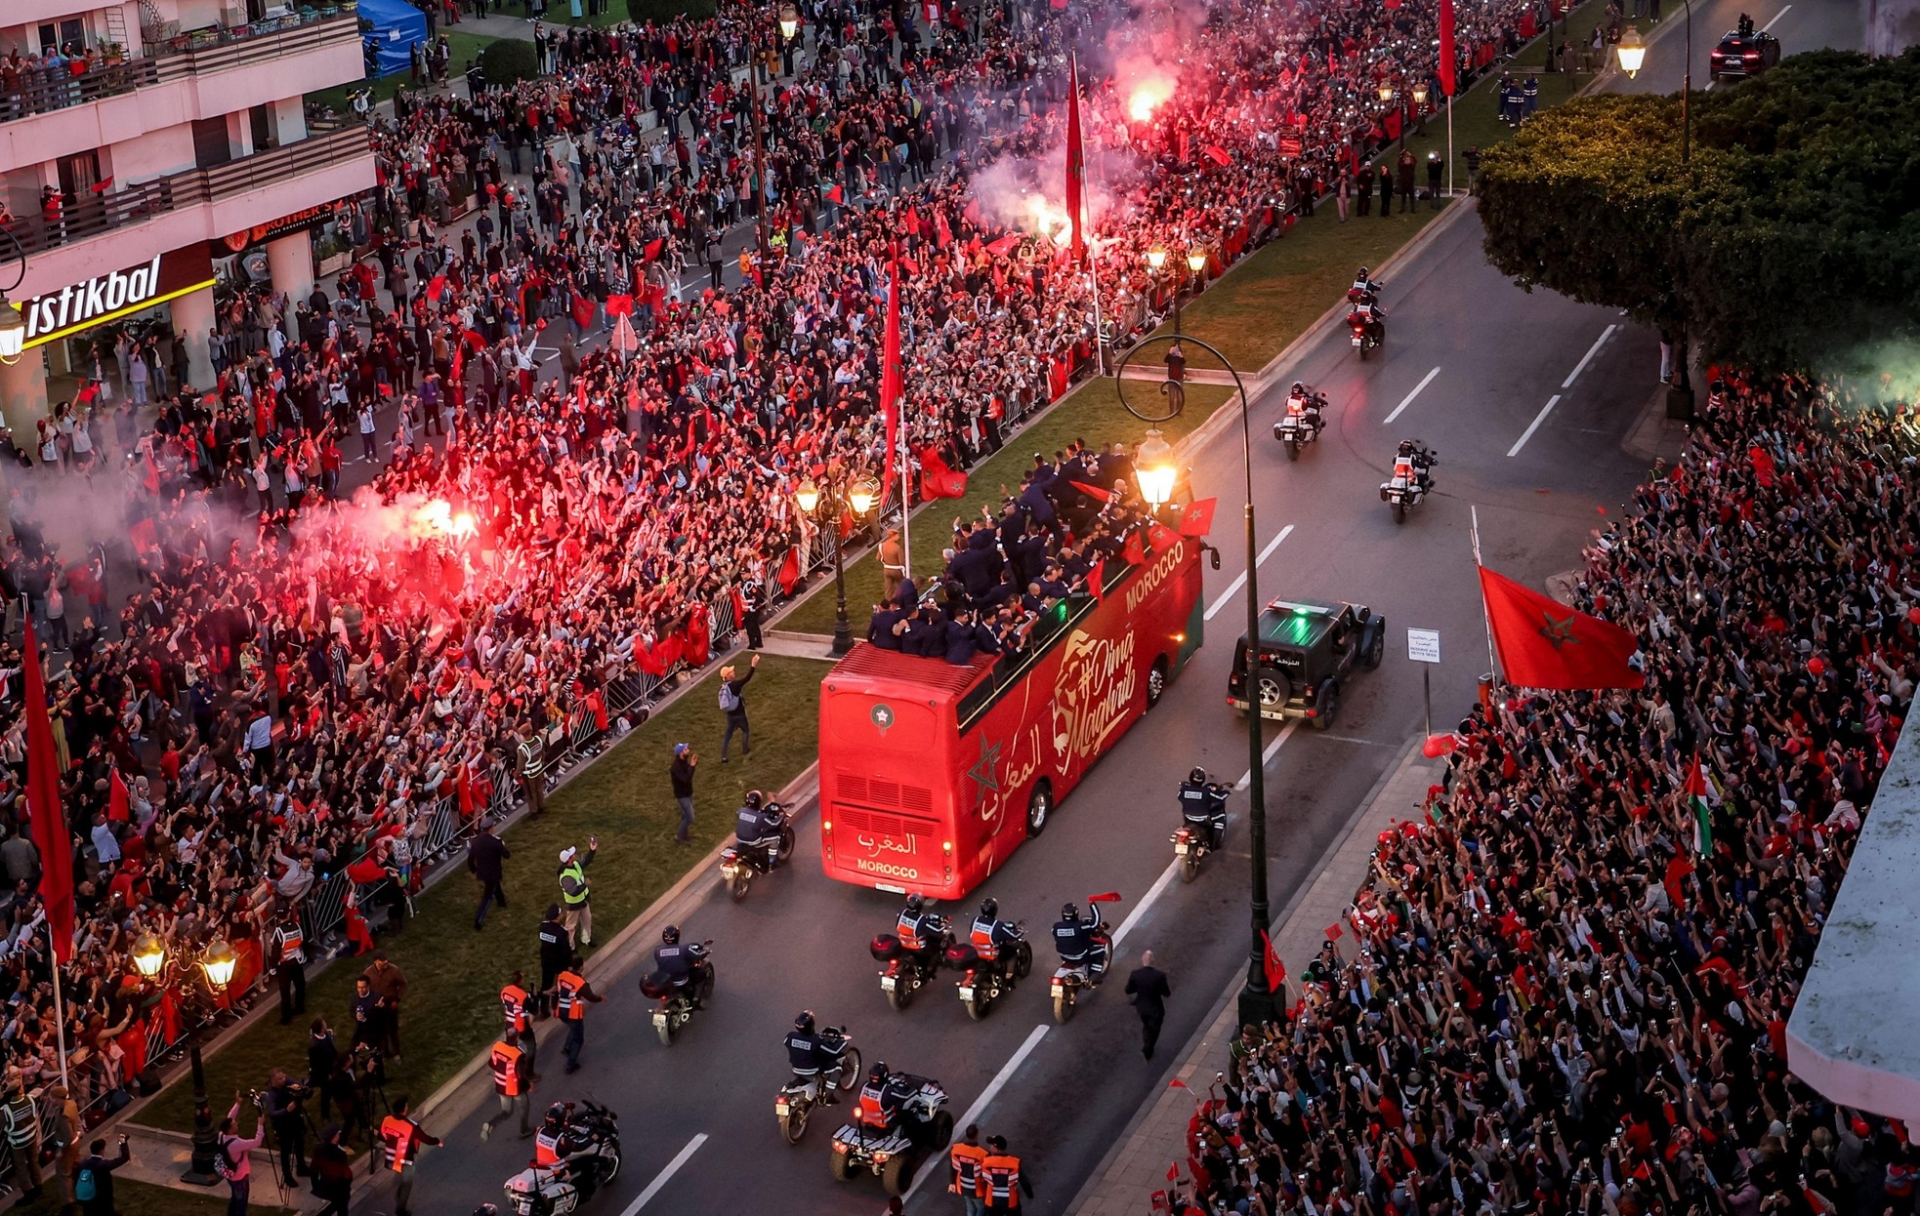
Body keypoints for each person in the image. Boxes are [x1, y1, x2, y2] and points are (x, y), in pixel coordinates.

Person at [377, 1096, 441, 1216]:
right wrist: (437, 1141)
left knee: (403, 1178)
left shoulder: (387, 1119)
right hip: (405, 1160)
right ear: (404, 1109)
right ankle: (400, 1210)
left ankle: (400, 1195)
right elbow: (426, 1139)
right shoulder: (411, 1125)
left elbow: (381, 1136)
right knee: (407, 1183)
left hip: (391, 1158)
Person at [553, 954, 605, 1073]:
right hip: (573, 1014)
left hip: (561, 1011)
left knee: (573, 1029)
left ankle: (567, 1047)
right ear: (581, 967)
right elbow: (591, 997)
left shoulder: (562, 975)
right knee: (579, 1039)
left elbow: (557, 991)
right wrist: (600, 998)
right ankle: (570, 1064)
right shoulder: (581, 983)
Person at [217, 1094, 266, 1216]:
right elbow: (257, 1141)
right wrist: (260, 1125)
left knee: (235, 1197)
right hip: (240, 1177)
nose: (236, 1123)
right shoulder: (237, 1144)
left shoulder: (222, 1136)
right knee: (242, 1203)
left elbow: (230, 1117)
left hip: (231, 1176)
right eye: (234, 1124)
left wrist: (238, 1104)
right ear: (230, 1129)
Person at [482, 1028, 534, 1140]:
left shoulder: (497, 1046)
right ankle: (524, 1130)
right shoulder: (518, 1054)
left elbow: (492, 1063)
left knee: (506, 1111)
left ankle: (491, 1124)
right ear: (517, 1038)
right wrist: (529, 1085)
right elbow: (520, 1075)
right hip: (514, 1088)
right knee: (524, 1107)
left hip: (500, 1085)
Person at [1124, 950, 1173, 1059]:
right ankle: (1148, 1048)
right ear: (1153, 960)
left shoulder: (1135, 974)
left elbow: (1128, 990)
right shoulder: (1159, 976)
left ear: (1142, 960)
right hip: (1155, 1008)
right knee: (1155, 1028)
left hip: (1141, 1007)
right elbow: (1167, 993)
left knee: (1146, 1026)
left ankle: (1147, 1043)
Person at [2, 1069, 43, 1200]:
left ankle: (28, 1191)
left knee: (21, 1167)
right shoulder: (30, 1100)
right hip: (32, 1137)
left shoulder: (6, 1110)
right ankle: (38, 1184)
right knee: (34, 1162)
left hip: (17, 1143)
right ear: (19, 1090)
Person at [264, 1068, 308, 1184]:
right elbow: (272, 1113)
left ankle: (301, 1167)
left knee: (299, 1143)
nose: (284, 1080)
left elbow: (296, 1082)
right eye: (280, 1079)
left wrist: (298, 1087)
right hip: (283, 1125)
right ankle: (287, 1175)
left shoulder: (286, 1083)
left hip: (295, 1120)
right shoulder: (272, 1095)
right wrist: (286, 1110)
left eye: (284, 1077)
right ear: (273, 1080)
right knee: (286, 1150)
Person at [267, 902, 308, 1024]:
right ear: (288, 913)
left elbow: (275, 951)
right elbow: (303, 942)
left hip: (284, 964)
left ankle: (286, 1017)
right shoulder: (297, 926)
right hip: (297, 961)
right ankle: (300, 1008)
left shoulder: (278, 932)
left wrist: (273, 967)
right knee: (300, 985)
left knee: (285, 991)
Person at [364, 951, 408, 1061]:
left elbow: (402, 984)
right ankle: (385, 1052)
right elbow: (364, 989)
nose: (385, 965)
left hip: (390, 1003)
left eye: (386, 962)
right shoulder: (368, 973)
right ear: (375, 962)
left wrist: (397, 999)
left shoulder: (394, 970)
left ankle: (397, 1052)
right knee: (381, 1029)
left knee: (392, 1029)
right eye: (382, 963)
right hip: (377, 1005)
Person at [784, 1010, 836, 1103]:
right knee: (836, 1069)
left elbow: (786, 1043)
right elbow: (832, 1051)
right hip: (812, 1072)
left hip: (795, 1069)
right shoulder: (816, 1040)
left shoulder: (790, 1036)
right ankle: (828, 1096)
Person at [653, 924, 711, 1006]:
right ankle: (695, 1000)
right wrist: (706, 951)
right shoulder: (683, 949)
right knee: (699, 976)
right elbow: (698, 955)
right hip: (680, 981)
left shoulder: (657, 950)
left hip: (665, 981)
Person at [468, 819, 511, 930]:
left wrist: (474, 870)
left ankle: (501, 902)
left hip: (482, 871)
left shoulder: (476, 841)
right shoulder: (496, 842)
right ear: (491, 828)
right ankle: (478, 919)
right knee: (488, 896)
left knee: (495, 886)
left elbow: (470, 859)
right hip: (493, 872)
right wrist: (503, 845)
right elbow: (507, 855)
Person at [74, 1133, 130, 1216]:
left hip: (87, 1202)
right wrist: (123, 1142)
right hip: (102, 1204)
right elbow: (124, 1158)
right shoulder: (103, 1165)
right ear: (102, 1151)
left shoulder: (83, 1164)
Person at [718, 653, 760, 761]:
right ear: (727, 676)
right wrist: (753, 665)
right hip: (739, 715)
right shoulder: (734, 685)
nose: (733, 672)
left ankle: (723, 756)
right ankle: (745, 750)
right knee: (745, 730)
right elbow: (747, 678)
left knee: (728, 735)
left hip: (730, 716)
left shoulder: (724, 687)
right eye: (731, 672)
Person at [556, 837, 597, 947]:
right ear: (569, 859)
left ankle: (586, 939)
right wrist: (585, 885)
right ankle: (570, 945)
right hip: (574, 903)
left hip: (583, 899)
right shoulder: (566, 876)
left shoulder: (576, 864)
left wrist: (592, 850)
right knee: (570, 926)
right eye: (573, 854)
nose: (575, 855)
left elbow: (585, 861)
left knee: (587, 920)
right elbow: (573, 891)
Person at [1177, 767, 1230, 850]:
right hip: (1202, 819)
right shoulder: (1205, 792)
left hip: (1188, 817)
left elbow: (1179, 797)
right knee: (1219, 818)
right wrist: (1226, 793)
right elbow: (1218, 798)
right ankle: (1213, 844)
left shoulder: (1183, 790)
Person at [978, 1134, 1034, 1212]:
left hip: (992, 1201)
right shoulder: (1014, 1163)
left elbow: (982, 1179)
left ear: (996, 1149)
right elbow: (1024, 1182)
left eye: (991, 1145)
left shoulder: (986, 1162)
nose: (989, 1147)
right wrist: (1029, 1194)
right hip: (1010, 1202)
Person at [969, 897, 1021, 979]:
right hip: (991, 953)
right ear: (995, 910)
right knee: (1012, 952)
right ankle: (1009, 973)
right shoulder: (997, 925)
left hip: (976, 951)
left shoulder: (975, 920)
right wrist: (1019, 932)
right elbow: (1013, 936)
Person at [1052, 903, 1108, 979]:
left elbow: (1055, 934)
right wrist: (1092, 904)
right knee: (1100, 951)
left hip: (1064, 956)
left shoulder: (1056, 927)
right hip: (1080, 957)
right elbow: (1095, 923)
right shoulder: (1080, 926)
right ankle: (1094, 975)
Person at [733, 789, 787, 868]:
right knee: (776, 837)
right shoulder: (760, 817)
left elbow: (738, 815)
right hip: (753, 841)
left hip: (739, 839)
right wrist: (781, 816)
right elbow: (773, 824)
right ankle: (772, 861)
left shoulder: (741, 811)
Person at [536, 906, 572, 1019]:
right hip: (559, 963)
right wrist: (569, 964)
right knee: (560, 984)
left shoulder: (543, 927)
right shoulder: (562, 932)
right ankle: (555, 1004)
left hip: (546, 961)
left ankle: (544, 1009)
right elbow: (566, 951)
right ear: (558, 916)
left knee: (546, 984)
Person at [309, 1125, 353, 1216]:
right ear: (333, 1138)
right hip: (339, 1185)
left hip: (326, 1182)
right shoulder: (340, 1153)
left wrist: (315, 1184)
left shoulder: (319, 1149)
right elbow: (345, 1173)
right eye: (337, 1135)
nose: (339, 1136)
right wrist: (347, 1182)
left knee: (338, 1204)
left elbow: (314, 1168)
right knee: (342, 1204)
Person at [855, 1062, 909, 1135]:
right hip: (884, 1125)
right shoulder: (887, 1091)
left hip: (868, 1122)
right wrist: (914, 1090)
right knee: (904, 1108)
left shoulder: (864, 1087)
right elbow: (904, 1096)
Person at [949, 1124, 990, 1216]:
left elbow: (952, 1167)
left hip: (962, 1186)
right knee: (981, 1208)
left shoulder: (956, 1149)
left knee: (970, 1207)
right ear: (977, 1135)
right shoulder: (983, 1154)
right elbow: (986, 1174)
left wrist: (952, 1182)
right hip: (977, 1188)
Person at [500, 970, 537, 1070]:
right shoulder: (523, 996)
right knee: (531, 1047)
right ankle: (527, 1072)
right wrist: (534, 997)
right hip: (521, 1026)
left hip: (509, 1024)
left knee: (512, 1048)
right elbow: (534, 1010)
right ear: (520, 981)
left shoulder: (505, 991)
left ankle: (513, 1066)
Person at [895, 892, 945, 965]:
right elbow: (937, 930)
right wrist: (942, 927)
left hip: (902, 944)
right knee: (935, 948)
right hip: (917, 947)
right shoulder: (921, 920)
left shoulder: (901, 913)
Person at [670, 743, 698, 843]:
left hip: (687, 793)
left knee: (685, 815)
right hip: (682, 796)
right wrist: (692, 766)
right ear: (681, 753)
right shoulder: (676, 767)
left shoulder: (682, 761)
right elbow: (686, 779)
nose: (688, 750)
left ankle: (684, 835)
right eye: (686, 749)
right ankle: (678, 836)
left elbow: (688, 773)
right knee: (690, 817)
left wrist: (692, 765)